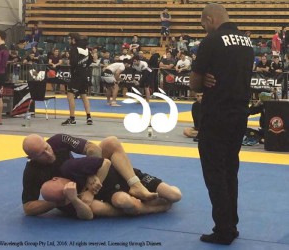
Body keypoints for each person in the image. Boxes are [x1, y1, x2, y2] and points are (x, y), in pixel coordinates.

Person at [189, 3, 254, 245]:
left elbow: (195, 84)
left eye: (203, 24)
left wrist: (202, 80)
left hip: (216, 114)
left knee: (215, 173)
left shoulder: (212, 40)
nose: (204, 28)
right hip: (239, 114)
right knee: (230, 170)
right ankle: (231, 225)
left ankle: (223, 229)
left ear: (210, 19)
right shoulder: (247, 42)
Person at [22, 133, 158, 216]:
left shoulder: (58, 140)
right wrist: (56, 202)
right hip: (74, 196)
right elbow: (28, 207)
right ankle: (138, 209)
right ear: (31, 157)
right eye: (42, 154)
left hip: (83, 175)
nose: (49, 154)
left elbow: (92, 148)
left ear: (46, 141)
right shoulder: (31, 172)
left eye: (47, 148)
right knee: (94, 209)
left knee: (111, 142)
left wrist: (91, 174)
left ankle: (135, 184)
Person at [40, 157, 182, 220]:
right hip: (113, 192)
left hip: (125, 176)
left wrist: (90, 191)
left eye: (65, 186)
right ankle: (155, 207)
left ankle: (142, 191)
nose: (69, 188)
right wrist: (74, 199)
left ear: (56, 178)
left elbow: (105, 162)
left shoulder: (70, 168)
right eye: (65, 193)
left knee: (175, 196)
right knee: (124, 202)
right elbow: (90, 214)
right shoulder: (68, 201)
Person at [61, 33, 93, 126]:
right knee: (83, 95)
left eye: (69, 39)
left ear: (73, 39)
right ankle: (89, 117)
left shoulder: (74, 48)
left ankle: (72, 118)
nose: (68, 40)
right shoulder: (86, 48)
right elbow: (90, 60)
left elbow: (74, 62)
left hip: (77, 75)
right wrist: (84, 67)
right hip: (84, 74)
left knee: (70, 95)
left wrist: (73, 67)